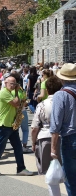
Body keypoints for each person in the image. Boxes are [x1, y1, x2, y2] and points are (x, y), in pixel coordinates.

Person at [0, 75, 33, 176]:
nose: (13, 85)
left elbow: (21, 103)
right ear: (5, 83)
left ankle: (21, 168)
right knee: (0, 148)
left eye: (15, 83)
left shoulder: (10, 92)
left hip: (12, 124)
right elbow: (16, 103)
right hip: (4, 124)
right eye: (11, 83)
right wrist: (16, 92)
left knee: (18, 147)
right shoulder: (4, 92)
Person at [50, 63, 76, 196]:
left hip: (71, 138)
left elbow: (56, 124)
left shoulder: (61, 95)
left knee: (71, 179)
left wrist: (53, 148)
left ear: (62, 79)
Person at [31, 76, 62, 175]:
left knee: (46, 171)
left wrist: (33, 142)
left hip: (45, 136)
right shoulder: (64, 102)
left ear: (47, 90)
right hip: (62, 137)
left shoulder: (42, 105)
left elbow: (34, 127)